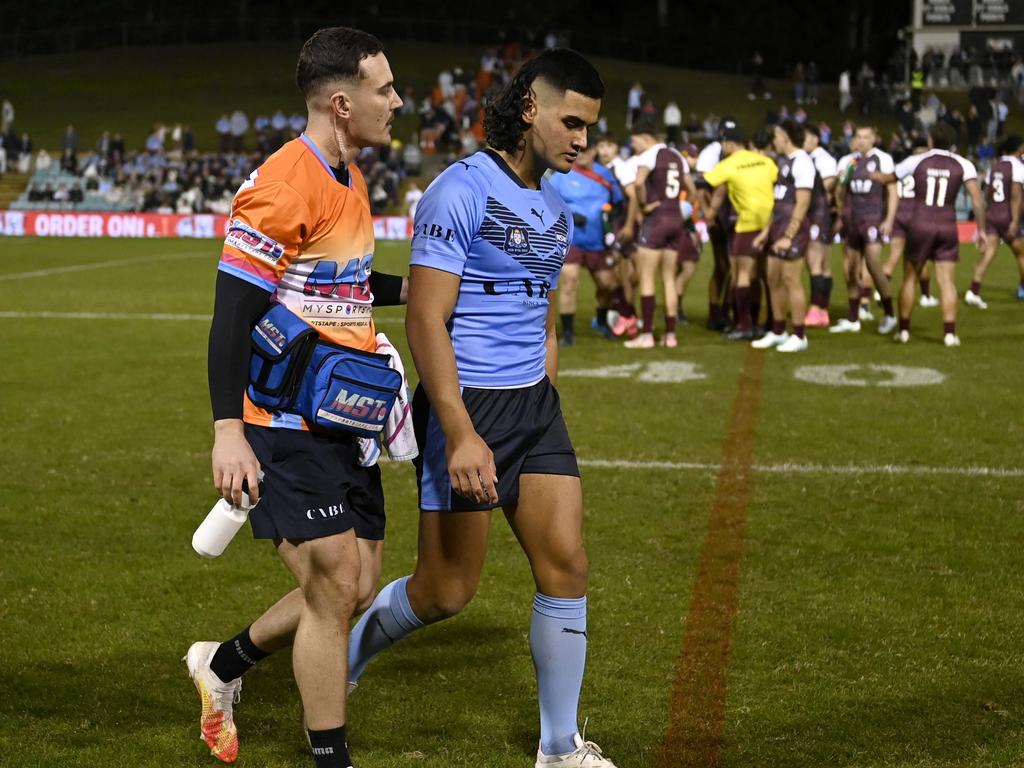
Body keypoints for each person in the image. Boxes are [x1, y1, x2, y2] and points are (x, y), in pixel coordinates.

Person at [345, 48, 619, 768]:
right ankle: (334, 663)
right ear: (528, 108)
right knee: (445, 593)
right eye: (570, 122)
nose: (581, 140)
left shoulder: (556, 206)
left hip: (534, 408)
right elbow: (426, 319)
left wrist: (546, 389)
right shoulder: (459, 190)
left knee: (567, 564)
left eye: (589, 128)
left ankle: (560, 748)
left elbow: (541, 316)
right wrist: (461, 432)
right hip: (465, 412)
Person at [184, 27, 405, 768]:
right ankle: (329, 757)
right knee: (336, 581)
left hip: (349, 412)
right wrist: (227, 431)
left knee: (357, 586)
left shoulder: (349, 174)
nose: (398, 102)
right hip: (284, 420)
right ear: (342, 104)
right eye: (385, 90)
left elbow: (342, 284)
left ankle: (223, 665)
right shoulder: (284, 183)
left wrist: (432, 293)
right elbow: (232, 313)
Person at [874, 122, 987, 346]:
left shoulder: (917, 160)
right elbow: (977, 200)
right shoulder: (964, 164)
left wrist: (869, 173)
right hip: (947, 224)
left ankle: (904, 331)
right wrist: (981, 230)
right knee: (946, 282)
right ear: (953, 143)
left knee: (909, 279)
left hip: (920, 223)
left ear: (930, 141)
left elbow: (888, 179)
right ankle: (949, 334)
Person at [623, 119, 698, 349]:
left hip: (656, 220)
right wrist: (683, 210)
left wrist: (645, 204)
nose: (634, 146)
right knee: (668, 279)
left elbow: (638, 183)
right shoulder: (676, 155)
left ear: (644, 136)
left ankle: (646, 335)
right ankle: (671, 335)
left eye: (634, 141)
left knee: (647, 277)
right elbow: (692, 190)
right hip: (676, 219)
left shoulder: (648, 155)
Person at [703, 119, 778, 339]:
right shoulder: (764, 161)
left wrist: (708, 212)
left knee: (741, 274)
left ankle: (744, 325)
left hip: (747, 223)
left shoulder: (728, 163)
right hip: (771, 223)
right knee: (767, 276)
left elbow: (708, 183)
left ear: (727, 143)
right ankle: (772, 324)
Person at [547, 132, 624, 345]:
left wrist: (613, 228)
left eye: (586, 150)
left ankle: (600, 321)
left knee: (607, 284)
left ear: (594, 151)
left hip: (598, 242)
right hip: (571, 241)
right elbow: (546, 203)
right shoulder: (561, 175)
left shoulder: (606, 176)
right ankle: (569, 333)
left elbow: (619, 204)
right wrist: (569, 213)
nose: (581, 154)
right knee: (570, 281)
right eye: (577, 149)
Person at [751, 119, 814, 352]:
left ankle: (799, 336)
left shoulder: (803, 163)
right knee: (773, 279)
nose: (774, 140)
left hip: (793, 231)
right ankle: (778, 331)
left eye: (777, 135)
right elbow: (779, 203)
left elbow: (803, 202)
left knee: (791, 280)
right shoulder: (786, 162)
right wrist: (766, 233)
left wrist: (789, 235)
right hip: (778, 227)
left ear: (786, 137)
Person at [830, 125, 898, 335]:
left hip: (872, 219)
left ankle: (889, 313)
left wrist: (889, 219)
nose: (861, 140)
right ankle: (853, 318)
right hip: (852, 219)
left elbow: (892, 192)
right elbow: (840, 191)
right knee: (851, 270)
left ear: (874, 139)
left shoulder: (883, 159)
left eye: (866, 137)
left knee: (873, 264)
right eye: (858, 136)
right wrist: (841, 209)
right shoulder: (847, 161)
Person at [965, 134, 1024, 308]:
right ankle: (1022, 288)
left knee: (988, 253)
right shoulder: (1018, 167)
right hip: (1008, 215)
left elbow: (988, 193)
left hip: (993, 214)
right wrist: (1014, 221)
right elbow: (1015, 195)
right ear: (1019, 148)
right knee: (1021, 254)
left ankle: (973, 291)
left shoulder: (995, 166)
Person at [883, 137, 939, 308]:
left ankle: (880, 291)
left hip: (899, 213)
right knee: (920, 257)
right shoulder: (929, 168)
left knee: (894, 256)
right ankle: (926, 296)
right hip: (917, 214)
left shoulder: (902, 166)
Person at [802, 123, 837, 326]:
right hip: (820, 214)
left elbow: (829, 183)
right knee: (823, 264)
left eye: (805, 138)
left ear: (815, 138)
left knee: (816, 262)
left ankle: (816, 308)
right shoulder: (814, 158)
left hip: (818, 213)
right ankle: (822, 310)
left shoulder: (822, 159)